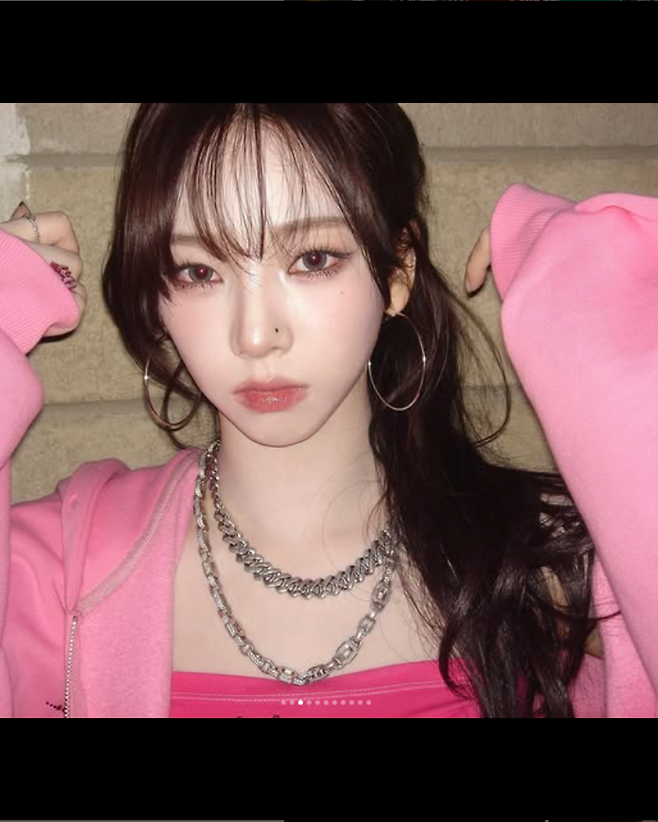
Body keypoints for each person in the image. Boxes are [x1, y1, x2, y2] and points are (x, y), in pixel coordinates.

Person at [0, 103, 656, 717]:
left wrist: (591, 300)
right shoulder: (58, 571)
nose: (256, 335)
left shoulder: (551, 567)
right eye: (200, 272)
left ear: (397, 272)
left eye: (312, 259)